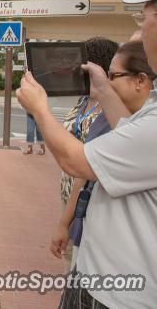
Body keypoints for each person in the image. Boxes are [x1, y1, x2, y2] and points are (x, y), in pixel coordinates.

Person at [17, 0, 157, 308]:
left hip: (119, 295)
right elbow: (129, 136)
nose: (139, 31)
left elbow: (76, 162)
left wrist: (40, 109)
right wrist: (104, 87)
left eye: (144, 17)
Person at [50, 40, 155, 272]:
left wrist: (39, 108)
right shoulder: (88, 101)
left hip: (89, 213)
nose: (107, 81)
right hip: (77, 205)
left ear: (140, 80)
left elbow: (80, 166)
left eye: (113, 75)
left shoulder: (128, 121)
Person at [55, 37, 119, 271]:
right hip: (69, 193)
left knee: (77, 268)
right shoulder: (84, 100)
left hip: (86, 201)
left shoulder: (108, 109)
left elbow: (87, 168)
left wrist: (64, 223)